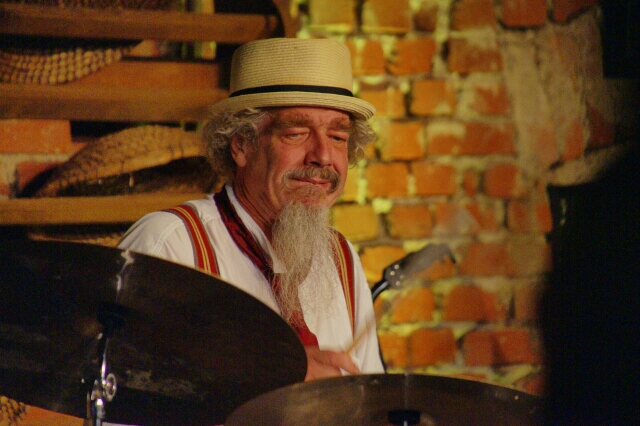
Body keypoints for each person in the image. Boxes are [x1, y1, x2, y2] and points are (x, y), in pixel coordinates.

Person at [118, 37, 385, 380]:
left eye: (338, 137)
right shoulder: (170, 245)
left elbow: (370, 399)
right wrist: (273, 375)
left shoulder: (341, 259)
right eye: (296, 133)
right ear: (242, 146)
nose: (323, 156)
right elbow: (126, 394)